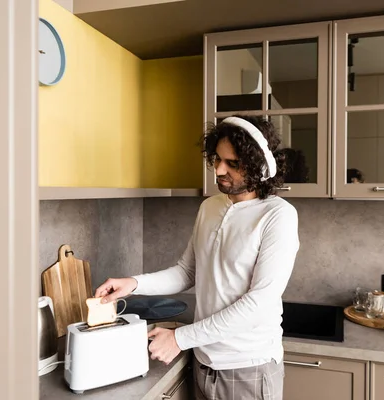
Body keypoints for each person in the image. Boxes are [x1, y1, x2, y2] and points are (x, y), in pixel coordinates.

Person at [94, 115, 300, 400]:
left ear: (259, 166)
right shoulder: (210, 207)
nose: (219, 170)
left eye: (232, 163)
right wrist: (133, 283)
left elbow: (259, 304)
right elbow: (187, 271)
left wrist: (180, 338)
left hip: (248, 369)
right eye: (216, 159)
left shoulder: (278, 216)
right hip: (203, 363)